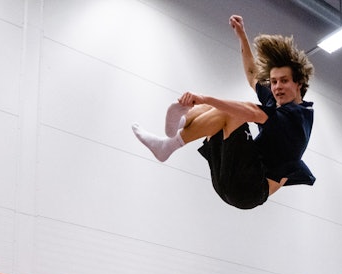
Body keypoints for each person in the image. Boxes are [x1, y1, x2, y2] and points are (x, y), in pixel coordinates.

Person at [132, 15, 315, 210]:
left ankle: (169, 144)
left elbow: (250, 112)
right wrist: (242, 35)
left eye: (284, 81)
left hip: (251, 188)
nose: (277, 87)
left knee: (231, 111)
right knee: (214, 110)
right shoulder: (277, 101)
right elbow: (253, 74)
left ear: (299, 83)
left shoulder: (297, 117)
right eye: (274, 81)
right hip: (228, 178)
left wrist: (203, 97)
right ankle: (182, 122)